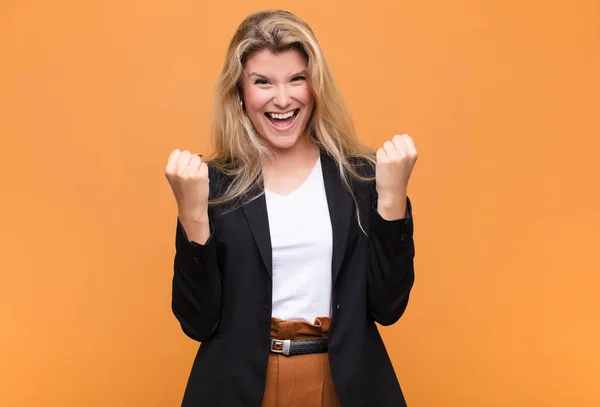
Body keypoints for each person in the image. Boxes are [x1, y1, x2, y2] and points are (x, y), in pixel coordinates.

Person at [164, 9, 418, 407]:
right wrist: (192, 216)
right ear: (240, 93)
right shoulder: (213, 185)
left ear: (315, 87)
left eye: (296, 79)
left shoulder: (361, 178)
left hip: (342, 384)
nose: (282, 99)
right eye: (263, 82)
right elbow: (197, 322)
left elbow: (388, 308)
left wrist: (392, 200)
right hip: (240, 386)